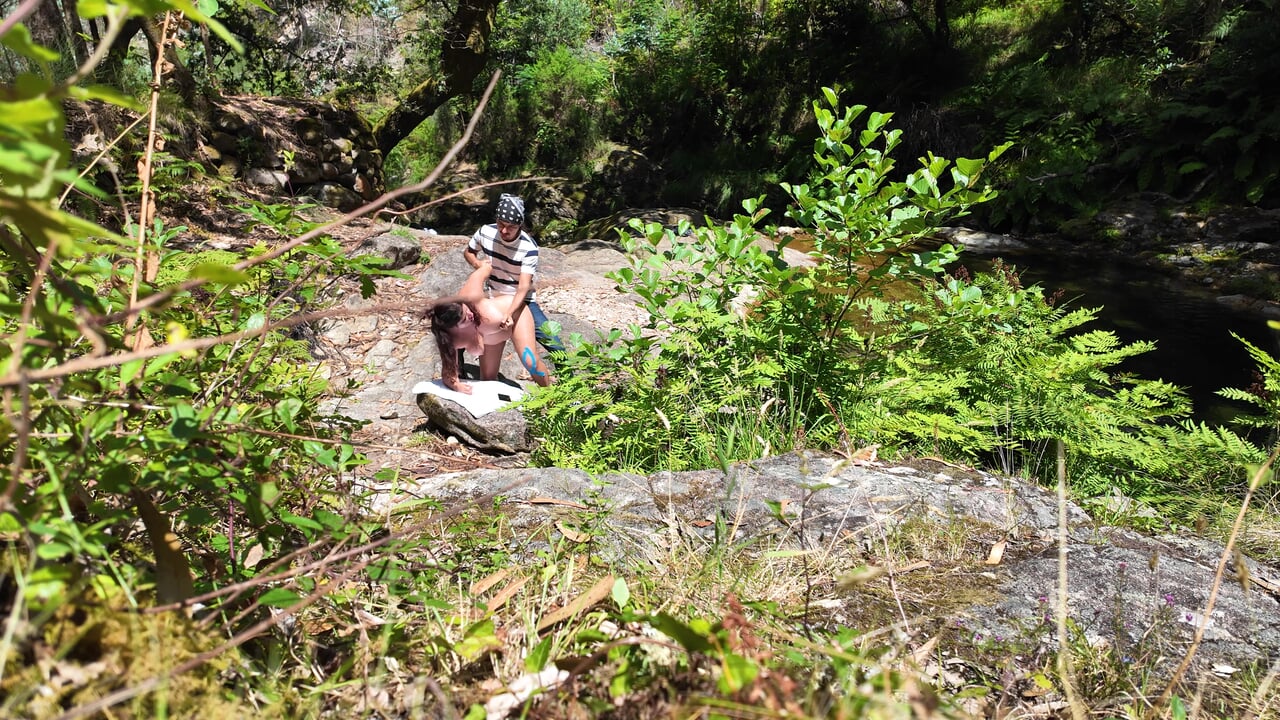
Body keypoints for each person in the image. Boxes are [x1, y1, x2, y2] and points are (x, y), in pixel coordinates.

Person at [463, 193, 566, 355]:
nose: (504, 230)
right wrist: (478, 264)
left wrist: (509, 313)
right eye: (500, 224)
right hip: (493, 295)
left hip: (522, 300)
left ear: (520, 225)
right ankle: (457, 370)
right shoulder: (485, 232)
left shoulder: (529, 248)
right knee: (457, 326)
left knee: (553, 343)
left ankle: (568, 375)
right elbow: (469, 252)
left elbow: (524, 286)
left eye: (510, 227)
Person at [425, 263, 553, 393]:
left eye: (466, 310)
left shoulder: (471, 296)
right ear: (454, 329)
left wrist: (483, 264)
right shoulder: (450, 339)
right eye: (464, 319)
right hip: (491, 336)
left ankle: (550, 396)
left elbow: (485, 267)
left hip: (515, 314)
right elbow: (449, 375)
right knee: (488, 380)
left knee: (531, 363)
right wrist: (458, 386)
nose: (470, 315)